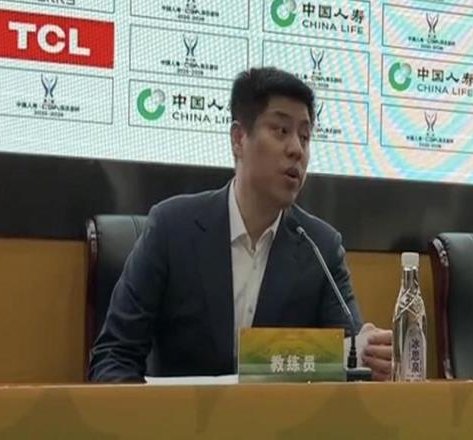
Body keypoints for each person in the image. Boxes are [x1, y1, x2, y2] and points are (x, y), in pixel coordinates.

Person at [88, 67, 392, 382]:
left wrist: (366, 353)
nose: (296, 150)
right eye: (281, 131)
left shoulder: (320, 247)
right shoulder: (171, 228)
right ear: (238, 139)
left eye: (304, 137)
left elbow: (350, 364)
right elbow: (113, 357)